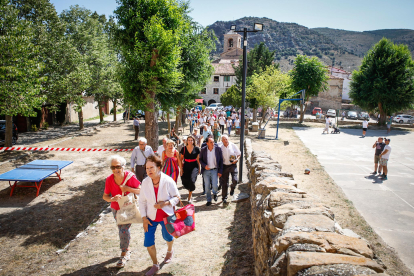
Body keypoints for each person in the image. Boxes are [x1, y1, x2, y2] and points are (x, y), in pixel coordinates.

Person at [139, 155, 180, 276]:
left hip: (166, 216)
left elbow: (177, 198)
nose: (149, 171)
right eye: (147, 168)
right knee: (148, 241)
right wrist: (144, 218)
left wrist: (165, 203)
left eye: (151, 167)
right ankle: (155, 264)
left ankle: (169, 250)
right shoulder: (145, 182)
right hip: (150, 218)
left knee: (167, 237)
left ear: (159, 167)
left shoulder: (168, 180)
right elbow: (142, 201)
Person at [103, 155, 141, 268]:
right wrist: (111, 199)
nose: (115, 170)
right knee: (122, 229)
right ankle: (127, 248)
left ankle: (124, 253)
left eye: (118, 166)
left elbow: (141, 190)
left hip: (128, 206)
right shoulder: (109, 179)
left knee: (123, 229)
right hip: (115, 208)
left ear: (123, 166)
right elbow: (105, 196)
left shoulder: (130, 177)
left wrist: (127, 189)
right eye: (113, 167)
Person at [199, 137, 223, 206]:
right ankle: (209, 200)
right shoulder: (203, 150)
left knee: (215, 185)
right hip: (206, 171)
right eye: (211, 142)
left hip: (215, 170)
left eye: (213, 142)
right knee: (207, 186)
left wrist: (220, 171)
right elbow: (200, 159)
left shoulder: (218, 149)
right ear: (207, 143)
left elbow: (221, 160)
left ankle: (215, 193)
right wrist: (204, 165)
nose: (213, 144)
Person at [219, 135, 241, 204]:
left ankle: (232, 188)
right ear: (222, 140)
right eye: (224, 139)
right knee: (224, 183)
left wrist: (236, 159)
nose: (225, 141)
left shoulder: (233, 145)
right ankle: (224, 198)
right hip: (224, 166)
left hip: (232, 165)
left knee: (235, 180)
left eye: (226, 139)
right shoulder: (220, 147)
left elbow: (239, 154)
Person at [180, 135, 201, 203]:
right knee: (185, 181)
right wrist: (181, 169)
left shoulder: (197, 149)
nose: (190, 141)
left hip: (194, 166)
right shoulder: (183, 149)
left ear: (193, 141)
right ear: (187, 141)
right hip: (186, 166)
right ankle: (189, 190)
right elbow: (181, 159)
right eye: (189, 140)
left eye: (191, 140)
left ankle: (189, 196)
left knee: (192, 181)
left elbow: (198, 160)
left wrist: (199, 168)